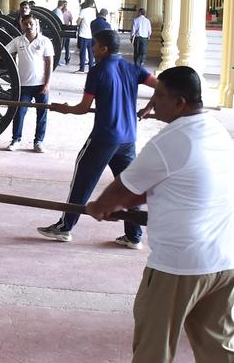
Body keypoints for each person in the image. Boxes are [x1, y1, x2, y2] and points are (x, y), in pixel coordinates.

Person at [87, 66, 234, 363]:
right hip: (224, 260)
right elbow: (169, 184)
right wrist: (124, 206)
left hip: (178, 265)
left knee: (153, 347)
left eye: (159, 96)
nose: (153, 102)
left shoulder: (170, 140)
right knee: (221, 347)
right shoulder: (214, 130)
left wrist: (101, 207)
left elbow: (123, 190)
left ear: (178, 103)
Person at [38, 29, 157, 248]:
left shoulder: (97, 71)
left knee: (82, 181)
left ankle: (65, 228)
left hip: (104, 137)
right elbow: (162, 86)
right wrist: (149, 108)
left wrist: (64, 109)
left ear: (104, 48)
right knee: (130, 186)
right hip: (128, 138)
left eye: (94, 45)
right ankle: (133, 236)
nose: (92, 48)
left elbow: (84, 108)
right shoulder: (133, 68)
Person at [7, 15, 54, 152]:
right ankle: (16, 140)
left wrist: (47, 83)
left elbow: (49, 63)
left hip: (41, 84)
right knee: (19, 113)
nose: (28, 26)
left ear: (36, 24)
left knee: (42, 114)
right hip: (23, 85)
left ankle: (39, 142)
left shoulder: (45, 41)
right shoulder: (18, 41)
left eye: (31, 23)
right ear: (22, 25)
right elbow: (1, 53)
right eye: (25, 24)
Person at [76, 0, 98, 72]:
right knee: (91, 53)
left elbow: (78, 22)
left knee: (82, 52)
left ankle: (82, 69)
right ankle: (91, 69)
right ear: (93, 4)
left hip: (83, 34)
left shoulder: (83, 11)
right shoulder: (95, 11)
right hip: (92, 35)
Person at [54, 0, 73, 65]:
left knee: (65, 46)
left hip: (64, 31)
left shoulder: (58, 11)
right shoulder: (59, 12)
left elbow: (70, 21)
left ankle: (66, 59)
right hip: (62, 31)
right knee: (61, 46)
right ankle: (59, 60)